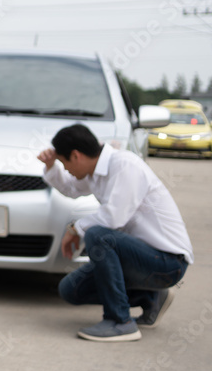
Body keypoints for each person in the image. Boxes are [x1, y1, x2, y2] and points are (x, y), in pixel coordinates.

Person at [37, 124, 194, 342]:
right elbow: (70, 189)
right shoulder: (95, 171)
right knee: (70, 289)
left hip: (168, 262)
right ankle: (151, 297)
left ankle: (120, 322)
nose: (66, 169)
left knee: (98, 235)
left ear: (76, 155)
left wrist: (74, 228)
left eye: (64, 163)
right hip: (141, 258)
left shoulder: (124, 165)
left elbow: (113, 218)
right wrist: (51, 165)